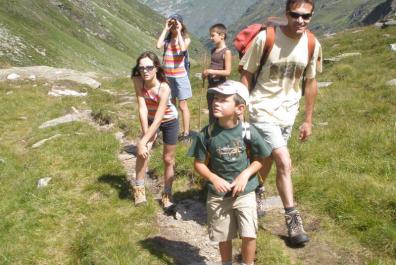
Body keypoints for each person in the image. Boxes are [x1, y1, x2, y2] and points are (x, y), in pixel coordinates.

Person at [239, 0, 322, 245]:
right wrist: (242, 109)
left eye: (306, 16)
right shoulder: (266, 39)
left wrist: (308, 120)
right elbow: (246, 74)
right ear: (286, 14)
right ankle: (293, 221)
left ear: (311, 16)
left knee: (265, 160)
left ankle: (252, 196)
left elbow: (310, 82)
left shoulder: (311, 44)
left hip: (288, 113)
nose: (300, 20)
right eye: (295, 15)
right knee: (284, 161)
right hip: (261, 110)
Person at [188, 80, 271, 265]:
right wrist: (213, 178)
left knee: (249, 233)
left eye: (224, 100)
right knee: (223, 234)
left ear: (239, 108)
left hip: (246, 191)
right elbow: (199, 164)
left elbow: (260, 160)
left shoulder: (248, 131)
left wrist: (244, 175)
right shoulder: (206, 134)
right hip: (218, 195)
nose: (216, 102)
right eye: (215, 98)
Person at [131, 51, 179, 211]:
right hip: (150, 119)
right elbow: (142, 107)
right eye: (141, 67)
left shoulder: (163, 88)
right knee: (142, 153)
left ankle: (167, 193)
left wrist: (144, 141)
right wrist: (145, 138)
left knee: (168, 159)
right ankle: (138, 189)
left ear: (157, 68)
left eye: (149, 67)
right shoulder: (137, 81)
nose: (145, 71)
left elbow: (160, 118)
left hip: (169, 120)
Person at [157, 14, 192, 142]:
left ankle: (186, 132)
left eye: (175, 24)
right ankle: (173, 130)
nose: (173, 27)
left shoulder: (185, 39)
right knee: (171, 104)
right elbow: (158, 45)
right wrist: (165, 29)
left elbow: (183, 48)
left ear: (181, 25)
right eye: (171, 24)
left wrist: (178, 32)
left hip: (180, 76)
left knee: (183, 105)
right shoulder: (167, 39)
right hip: (168, 76)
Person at [202, 23, 232, 124]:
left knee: (219, 112)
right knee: (211, 111)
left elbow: (228, 72)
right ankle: (211, 134)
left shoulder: (226, 52)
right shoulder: (213, 50)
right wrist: (206, 73)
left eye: (213, 35)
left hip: (220, 86)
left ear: (222, 35)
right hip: (211, 85)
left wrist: (211, 71)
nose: (211, 38)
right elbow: (213, 65)